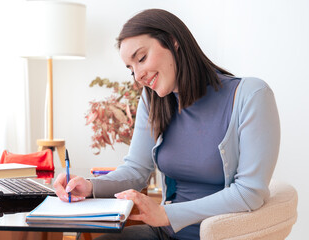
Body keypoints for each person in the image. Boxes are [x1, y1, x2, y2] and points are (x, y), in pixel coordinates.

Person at [53, 9, 280, 240]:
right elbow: (136, 170)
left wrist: (167, 214)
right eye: (131, 69)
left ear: (173, 41)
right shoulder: (152, 100)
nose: (138, 75)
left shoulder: (251, 95)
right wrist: (91, 187)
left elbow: (250, 193)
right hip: (165, 233)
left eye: (141, 58)